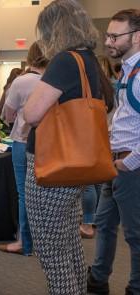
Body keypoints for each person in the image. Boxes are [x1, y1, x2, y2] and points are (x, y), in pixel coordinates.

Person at [23, 1, 114, 294]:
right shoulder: (89, 60)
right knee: (68, 246)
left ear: (54, 29)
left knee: (52, 250)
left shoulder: (64, 61)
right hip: (75, 168)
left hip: (51, 167)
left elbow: (32, 113)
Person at [87, 8, 140, 295]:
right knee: (105, 224)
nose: (108, 42)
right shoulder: (128, 70)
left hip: (131, 167)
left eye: (115, 36)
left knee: (135, 235)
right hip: (115, 164)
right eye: (108, 35)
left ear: (137, 37)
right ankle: (98, 278)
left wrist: (130, 162)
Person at [0, 42, 48, 256]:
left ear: (30, 57)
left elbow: (7, 115)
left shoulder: (22, 81)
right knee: (45, 193)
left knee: (24, 194)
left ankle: (24, 241)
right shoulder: (54, 81)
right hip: (48, 143)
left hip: (23, 140)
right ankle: (43, 240)